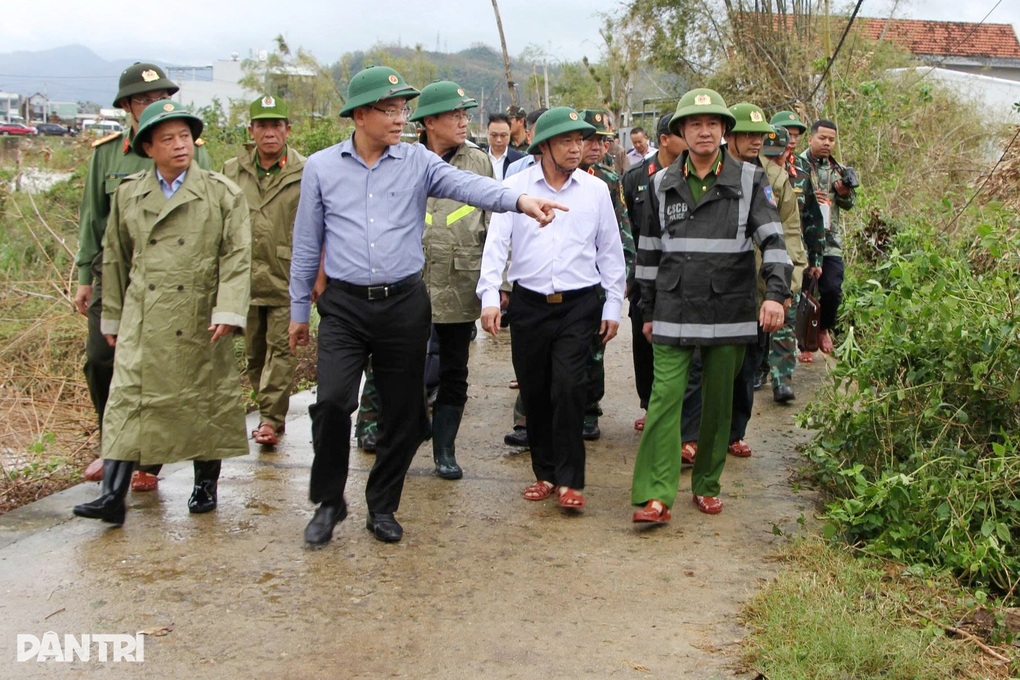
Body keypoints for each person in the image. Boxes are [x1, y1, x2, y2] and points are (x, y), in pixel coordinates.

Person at [289, 66, 565, 546]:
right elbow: (307, 245)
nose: (400, 118)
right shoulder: (321, 167)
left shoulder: (417, 160)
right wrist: (298, 312)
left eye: (402, 110)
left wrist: (520, 200)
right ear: (359, 114)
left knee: (406, 415)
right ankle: (329, 500)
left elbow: (470, 187)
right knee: (331, 403)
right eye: (388, 110)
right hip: (346, 308)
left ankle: (382, 505)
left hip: (403, 305)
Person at [72, 101, 251, 525]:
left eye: (185, 137)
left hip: (199, 314)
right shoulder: (130, 194)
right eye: (168, 139)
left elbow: (238, 256)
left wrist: (228, 308)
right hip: (144, 313)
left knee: (204, 400)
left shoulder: (222, 193)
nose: (179, 146)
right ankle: (111, 496)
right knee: (126, 401)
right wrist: (111, 318)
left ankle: (204, 485)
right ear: (147, 147)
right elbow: (115, 259)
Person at [630, 89, 789, 523]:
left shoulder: (749, 180)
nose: (704, 131)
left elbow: (773, 241)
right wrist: (647, 312)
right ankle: (655, 495)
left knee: (718, 403)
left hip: (729, 309)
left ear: (723, 132)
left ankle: (706, 483)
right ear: (680, 131)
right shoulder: (661, 183)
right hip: (673, 307)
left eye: (713, 124)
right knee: (664, 400)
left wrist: (775, 294)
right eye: (695, 124)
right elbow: (647, 253)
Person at [478, 106, 626, 511]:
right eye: (567, 140)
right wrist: (490, 296)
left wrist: (613, 304)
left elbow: (610, 252)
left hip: (579, 305)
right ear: (544, 145)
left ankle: (571, 481)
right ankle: (545, 473)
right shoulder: (517, 186)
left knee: (568, 387)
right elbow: (497, 244)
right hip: (529, 304)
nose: (577, 148)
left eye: (580, 140)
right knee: (535, 390)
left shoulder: (595, 191)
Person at [73, 62, 212, 491]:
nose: (154, 105)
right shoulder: (107, 154)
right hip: (116, 271)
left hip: (172, 272)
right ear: (128, 107)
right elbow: (93, 219)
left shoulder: (192, 149)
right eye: (144, 100)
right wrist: (84, 275)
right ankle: (113, 444)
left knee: (161, 363)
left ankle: (147, 460)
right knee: (101, 358)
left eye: (161, 98)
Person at [408, 80, 493, 480]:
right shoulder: (403, 160)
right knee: (403, 366)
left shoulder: (477, 161)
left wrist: (496, 285)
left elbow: (493, 222)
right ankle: (409, 432)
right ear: (428, 122)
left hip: (460, 280)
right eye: (454, 115)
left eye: (465, 114)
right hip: (410, 282)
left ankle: (445, 449)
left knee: (454, 370)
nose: (463, 121)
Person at [222, 95, 306, 447]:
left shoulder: (305, 171)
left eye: (276, 125)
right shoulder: (231, 170)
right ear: (251, 131)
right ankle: (267, 409)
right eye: (262, 126)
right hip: (244, 277)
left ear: (287, 129)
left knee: (282, 349)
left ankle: (271, 417)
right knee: (255, 352)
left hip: (287, 275)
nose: (269, 133)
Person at [622, 112, 686, 432]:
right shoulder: (635, 178)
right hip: (643, 272)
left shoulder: (692, 175)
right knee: (642, 340)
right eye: (682, 134)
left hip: (680, 273)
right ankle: (649, 404)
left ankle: (680, 409)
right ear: (664, 140)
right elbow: (629, 228)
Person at [761, 125, 825, 401]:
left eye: (781, 153)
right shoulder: (753, 174)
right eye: (770, 154)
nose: (776, 159)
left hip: (791, 254)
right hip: (759, 255)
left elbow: (812, 219)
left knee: (786, 316)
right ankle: (758, 368)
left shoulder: (801, 175)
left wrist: (816, 258)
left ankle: (782, 377)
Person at [798, 119, 857, 356]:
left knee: (832, 288)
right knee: (802, 290)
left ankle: (823, 329)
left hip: (830, 242)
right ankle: (804, 342)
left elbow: (850, 203)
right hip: (802, 239)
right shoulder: (797, 165)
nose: (826, 143)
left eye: (831, 139)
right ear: (811, 138)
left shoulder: (839, 170)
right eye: (822, 138)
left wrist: (843, 194)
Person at [770, 110, 808, 179]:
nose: (793, 141)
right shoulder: (760, 162)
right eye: (787, 135)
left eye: (796, 136)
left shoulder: (804, 165)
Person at [486, 112, 524, 179]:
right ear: (488, 133)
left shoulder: (519, 159)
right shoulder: (479, 158)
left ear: (509, 134)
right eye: (494, 135)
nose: (498, 140)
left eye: (503, 135)